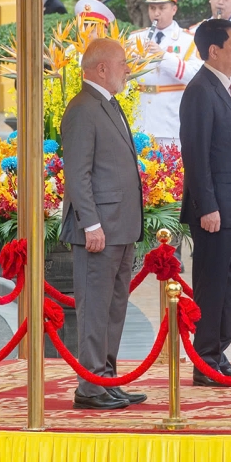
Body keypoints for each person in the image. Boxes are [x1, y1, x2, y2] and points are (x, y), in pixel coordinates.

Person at [58, 39, 146, 410]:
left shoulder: (106, 104)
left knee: (113, 307)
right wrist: (90, 223)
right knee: (94, 309)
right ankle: (90, 386)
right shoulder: (82, 108)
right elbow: (77, 174)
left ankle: (107, 379)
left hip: (120, 226)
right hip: (99, 229)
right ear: (102, 69)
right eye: (123, 63)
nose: (128, 68)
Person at [179, 19, 231, 385]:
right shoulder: (200, 90)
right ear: (214, 50)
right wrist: (207, 206)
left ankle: (217, 352)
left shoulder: (225, 87)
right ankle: (205, 358)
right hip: (217, 211)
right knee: (212, 287)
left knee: (230, 287)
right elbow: (195, 155)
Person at [128, 0, 200, 146]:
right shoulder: (135, 38)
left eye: (162, 8)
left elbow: (194, 76)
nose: (156, 13)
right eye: (152, 8)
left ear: (174, 9)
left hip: (171, 121)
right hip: (141, 118)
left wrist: (163, 56)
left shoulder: (188, 39)